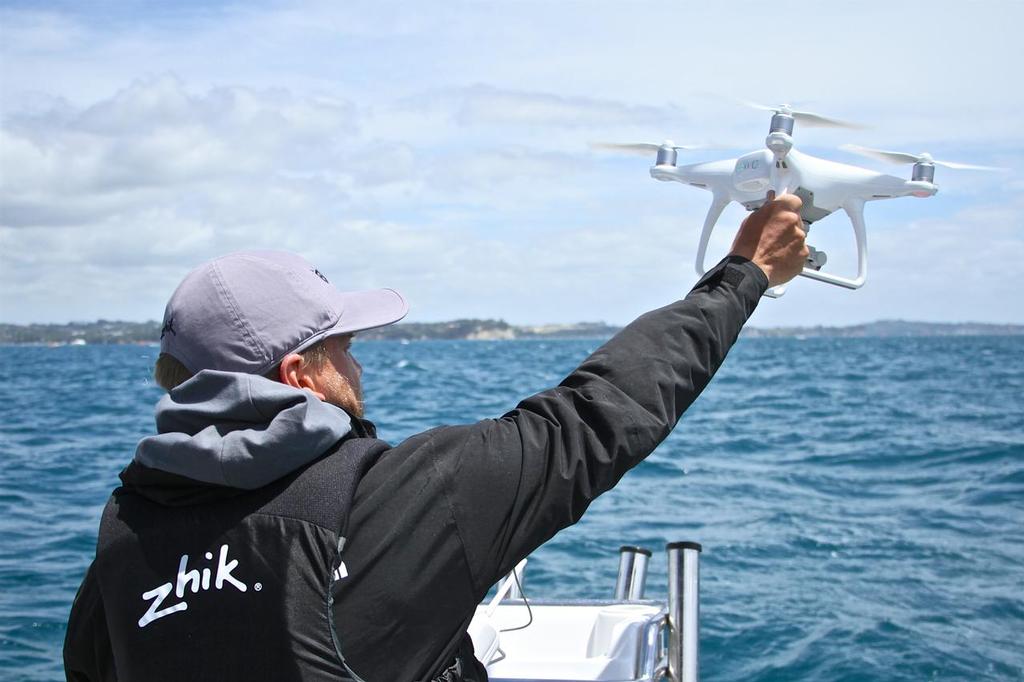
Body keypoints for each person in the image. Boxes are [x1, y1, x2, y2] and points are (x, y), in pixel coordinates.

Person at [64, 194, 808, 681]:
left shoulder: (121, 548)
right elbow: (603, 410)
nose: (358, 362)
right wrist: (744, 275)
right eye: (344, 346)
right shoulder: (406, 499)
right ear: (301, 375)